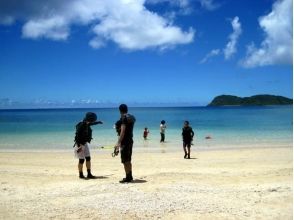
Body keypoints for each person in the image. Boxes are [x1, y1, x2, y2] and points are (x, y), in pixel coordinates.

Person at [74, 112, 103, 179]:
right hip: (80, 144)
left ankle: (89, 174)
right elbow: (78, 135)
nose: (92, 121)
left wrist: (98, 122)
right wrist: (79, 146)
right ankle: (81, 174)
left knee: (88, 158)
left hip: (84, 143)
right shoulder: (81, 125)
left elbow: (90, 124)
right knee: (81, 160)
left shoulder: (86, 123)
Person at [114, 104, 136, 183]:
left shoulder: (124, 118)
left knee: (125, 160)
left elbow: (122, 131)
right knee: (128, 159)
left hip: (124, 142)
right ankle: (130, 176)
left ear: (120, 110)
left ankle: (127, 177)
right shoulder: (132, 117)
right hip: (130, 140)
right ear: (127, 109)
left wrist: (118, 142)